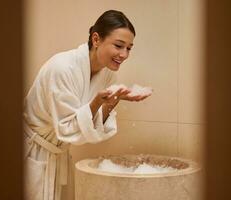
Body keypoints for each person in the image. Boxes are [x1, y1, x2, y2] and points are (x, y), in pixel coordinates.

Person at [23, 10, 151, 200]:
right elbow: (67, 127)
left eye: (129, 48)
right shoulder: (62, 68)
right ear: (96, 39)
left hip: (58, 153)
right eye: (118, 45)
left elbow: (93, 125)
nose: (124, 54)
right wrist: (97, 102)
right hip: (33, 152)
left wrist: (111, 103)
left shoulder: (108, 74)